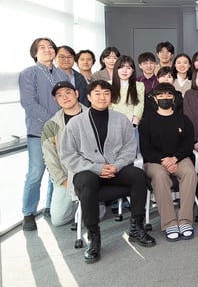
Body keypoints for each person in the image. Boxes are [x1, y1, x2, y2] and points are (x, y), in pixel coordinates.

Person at [61, 80, 156, 263]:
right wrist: (97, 168)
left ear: (111, 97)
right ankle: (94, 237)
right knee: (88, 181)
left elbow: (129, 148)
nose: (102, 97)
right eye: (97, 93)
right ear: (89, 97)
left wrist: (117, 166)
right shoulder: (75, 123)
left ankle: (136, 227)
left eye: (106, 93)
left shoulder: (121, 119)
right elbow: (68, 154)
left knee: (138, 176)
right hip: (87, 171)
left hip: (114, 169)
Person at [19, 37, 69, 231]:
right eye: (42, 47)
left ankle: (50, 206)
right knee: (36, 172)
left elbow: (67, 100)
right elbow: (28, 103)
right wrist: (53, 121)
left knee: (56, 171)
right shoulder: (28, 73)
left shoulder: (62, 75)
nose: (48, 50)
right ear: (35, 53)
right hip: (38, 132)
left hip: (61, 131)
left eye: (50, 47)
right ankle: (28, 212)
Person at [139, 83, 198, 242]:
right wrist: (164, 161)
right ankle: (169, 222)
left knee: (190, 173)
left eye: (168, 95)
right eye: (161, 95)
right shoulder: (147, 122)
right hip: (155, 161)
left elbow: (188, 145)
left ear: (174, 98)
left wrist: (174, 159)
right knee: (160, 176)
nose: (165, 98)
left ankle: (185, 220)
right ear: (155, 99)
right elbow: (145, 149)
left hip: (179, 158)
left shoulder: (183, 119)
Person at [41, 81, 83, 227]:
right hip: (67, 176)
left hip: (90, 173)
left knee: (95, 214)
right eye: (59, 95)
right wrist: (64, 181)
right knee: (58, 220)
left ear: (76, 94)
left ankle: (85, 204)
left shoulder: (92, 115)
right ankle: (77, 205)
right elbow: (49, 158)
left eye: (68, 93)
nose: (64, 97)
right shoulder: (51, 125)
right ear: (56, 100)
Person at [110, 56, 144, 128]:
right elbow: (107, 105)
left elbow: (139, 105)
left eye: (128, 68)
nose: (124, 71)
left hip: (131, 124)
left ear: (133, 70)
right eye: (121, 67)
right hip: (112, 123)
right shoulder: (108, 84)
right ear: (116, 69)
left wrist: (134, 124)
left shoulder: (139, 85)